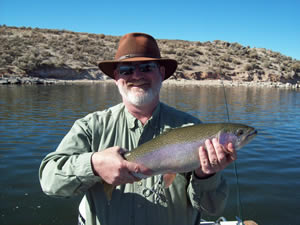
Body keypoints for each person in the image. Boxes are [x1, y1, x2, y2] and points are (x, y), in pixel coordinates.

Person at [39, 32, 237, 225]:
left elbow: (212, 209)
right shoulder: (90, 127)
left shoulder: (191, 128)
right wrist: (93, 164)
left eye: (146, 67)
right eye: (126, 70)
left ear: (161, 72)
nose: (136, 75)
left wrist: (206, 176)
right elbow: (49, 182)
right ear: (116, 77)